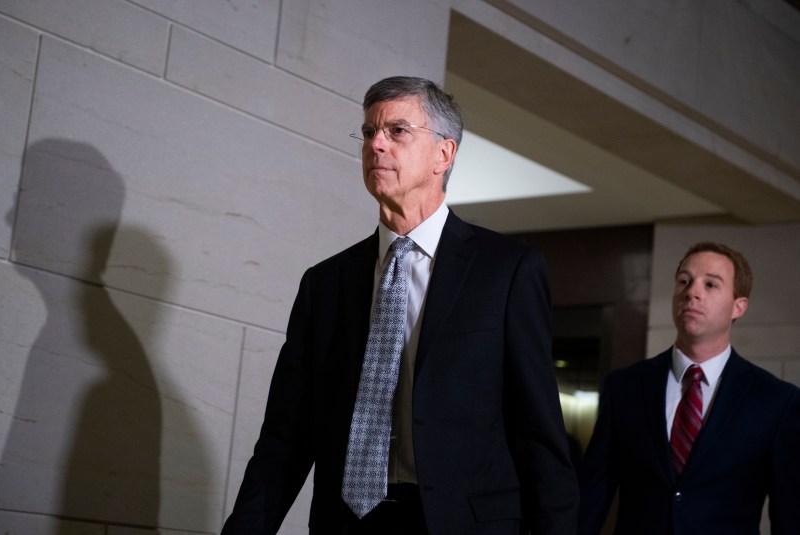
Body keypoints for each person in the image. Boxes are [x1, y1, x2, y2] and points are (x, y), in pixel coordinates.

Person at [221, 76, 578, 534]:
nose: (377, 146)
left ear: (443, 155)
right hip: (348, 522)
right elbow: (285, 438)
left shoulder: (507, 272)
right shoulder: (325, 284)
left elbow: (540, 437)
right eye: (369, 133)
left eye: (397, 131)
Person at [578, 242, 800, 534]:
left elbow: (791, 515)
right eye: (684, 281)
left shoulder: (776, 401)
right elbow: (592, 495)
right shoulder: (624, 387)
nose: (692, 292)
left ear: (738, 307)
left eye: (710, 284)